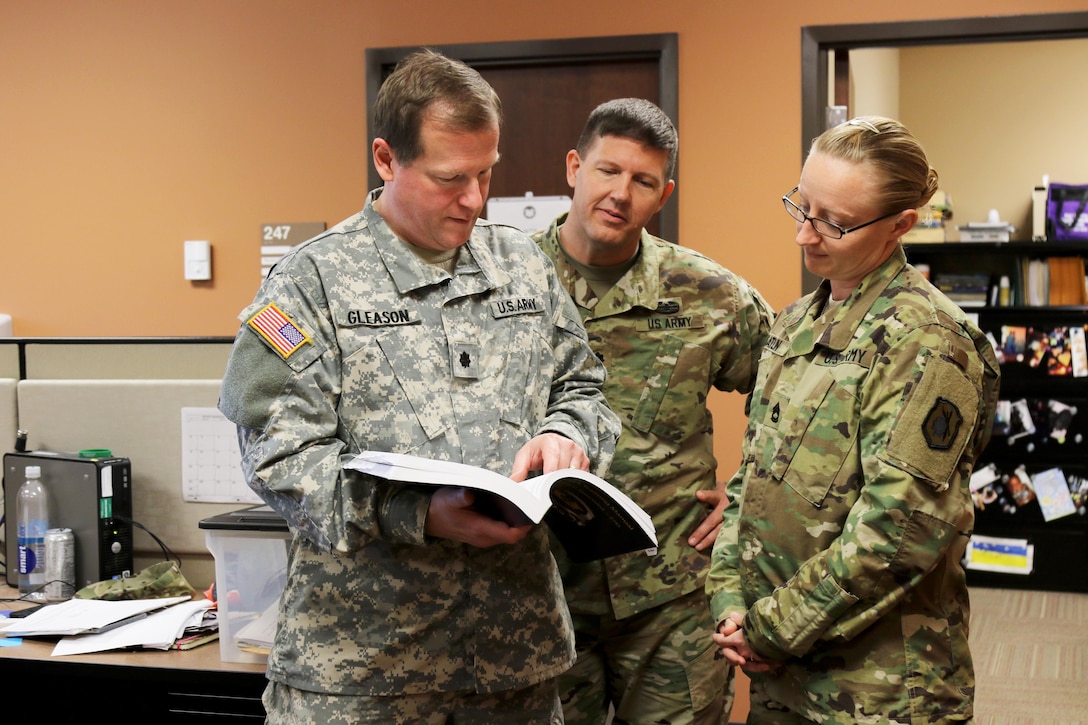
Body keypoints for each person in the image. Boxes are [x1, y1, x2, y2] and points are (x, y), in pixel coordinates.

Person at [218, 49, 621, 725]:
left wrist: (567, 435)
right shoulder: (308, 283)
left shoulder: (521, 265)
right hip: (364, 674)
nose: (474, 198)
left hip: (514, 665)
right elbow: (279, 459)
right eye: (449, 178)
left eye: (486, 173)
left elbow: (584, 389)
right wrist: (417, 512)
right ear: (386, 159)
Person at [706, 116, 1001, 724]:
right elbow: (751, 480)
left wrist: (773, 628)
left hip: (881, 687)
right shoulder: (792, 327)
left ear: (899, 227)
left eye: (833, 222)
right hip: (783, 669)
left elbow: (900, 529)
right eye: (801, 205)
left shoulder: (928, 344)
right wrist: (731, 597)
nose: (803, 236)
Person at [531, 98, 773, 725]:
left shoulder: (709, 294)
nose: (620, 194)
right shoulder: (509, 284)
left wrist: (749, 501)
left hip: (670, 592)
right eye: (607, 171)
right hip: (538, 587)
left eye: (642, 181)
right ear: (573, 167)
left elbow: (793, 401)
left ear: (662, 193)